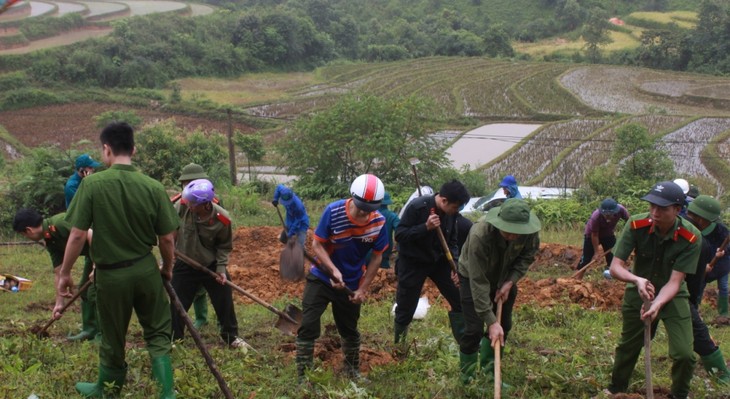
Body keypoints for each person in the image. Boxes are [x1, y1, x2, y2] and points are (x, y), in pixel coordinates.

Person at [54, 122, 179, 398]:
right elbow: (167, 239)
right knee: (158, 333)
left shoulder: (92, 185)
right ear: (133, 150)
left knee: (112, 336)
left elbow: (76, 236)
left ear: (106, 149)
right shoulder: (153, 187)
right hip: (146, 269)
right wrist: (167, 268)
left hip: (111, 276)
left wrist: (65, 273)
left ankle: (106, 389)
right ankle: (167, 393)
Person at [606, 181, 700, 399]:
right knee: (628, 347)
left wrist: (657, 303)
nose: (655, 212)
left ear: (678, 210)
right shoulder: (636, 224)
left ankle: (679, 394)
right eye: (652, 206)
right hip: (639, 292)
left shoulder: (691, 237)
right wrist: (637, 280)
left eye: (663, 208)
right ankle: (616, 390)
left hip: (672, 296)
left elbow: (675, 281)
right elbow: (615, 267)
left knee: (685, 354)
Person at [295, 174, 389, 382]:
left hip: (352, 282)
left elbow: (377, 257)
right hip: (321, 276)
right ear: (353, 197)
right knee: (308, 324)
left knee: (349, 329)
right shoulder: (333, 211)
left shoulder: (379, 222)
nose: (364, 211)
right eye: (361, 205)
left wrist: (362, 289)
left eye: (370, 208)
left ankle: (351, 369)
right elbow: (317, 245)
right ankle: (304, 376)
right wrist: (333, 270)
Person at [457, 198, 541, 386]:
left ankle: (489, 373)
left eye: (517, 233)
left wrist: (510, 281)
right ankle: (467, 379)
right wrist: (490, 320)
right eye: (508, 231)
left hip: (504, 277)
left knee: (504, 325)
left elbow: (526, 257)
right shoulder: (480, 234)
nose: (512, 236)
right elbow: (478, 280)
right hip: (472, 276)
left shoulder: (530, 233)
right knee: (474, 329)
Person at [170, 178, 251, 350]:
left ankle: (231, 336)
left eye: (192, 203)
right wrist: (169, 255)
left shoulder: (222, 219)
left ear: (204, 204)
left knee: (224, 300)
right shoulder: (182, 207)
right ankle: (175, 340)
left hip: (211, 264)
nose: (188, 204)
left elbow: (224, 246)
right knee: (176, 302)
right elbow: (172, 231)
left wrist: (221, 269)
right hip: (185, 262)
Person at [393, 180, 470, 349]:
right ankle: (399, 346)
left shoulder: (451, 215)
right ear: (444, 200)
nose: (456, 211)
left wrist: (454, 266)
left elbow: (453, 241)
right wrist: (424, 227)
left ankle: (466, 344)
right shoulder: (417, 207)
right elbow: (399, 235)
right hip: (413, 262)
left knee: (459, 298)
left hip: (438, 261)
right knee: (406, 307)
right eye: (455, 207)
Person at [12, 208, 99, 342]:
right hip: (91, 255)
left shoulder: (60, 222)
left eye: (24, 235)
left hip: (104, 249)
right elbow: (59, 272)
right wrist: (59, 303)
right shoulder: (50, 240)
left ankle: (105, 336)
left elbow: (90, 234)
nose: (27, 238)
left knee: (95, 293)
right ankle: (90, 330)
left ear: (28, 230)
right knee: (85, 291)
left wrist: (97, 264)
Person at [683, 196, 730, 384]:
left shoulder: (717, 233)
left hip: (686, 285)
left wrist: (707, 270)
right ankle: (721, 376)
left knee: (694, 322)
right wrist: (702, 269)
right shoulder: (691, 234)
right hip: (676, 288)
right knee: (697, 328)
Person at [171, 163, 220, 330]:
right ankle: (179, 328)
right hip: (186, 253)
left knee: (218, 291)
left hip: (208, 255)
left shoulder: (213, 202)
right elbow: (173, 230)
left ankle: (215, 322)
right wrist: (172, 252)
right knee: (183, 291)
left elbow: (221, 231)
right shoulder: (179, 204)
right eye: (187, 183)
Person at [686, 195, 730, 316]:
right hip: (702, 264)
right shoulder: (689, 227)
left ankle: (724, 313)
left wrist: (723, 252)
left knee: (724, 286)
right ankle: (695, 308)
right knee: (698, 285)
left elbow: (727, 245)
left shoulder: (721, 230)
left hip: (721, 264)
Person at [575, 198, 630, 279]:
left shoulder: (621, 210)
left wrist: (627, 234)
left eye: (610, 215)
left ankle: (611, 277)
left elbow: (629, 222)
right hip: (591, 235)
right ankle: (577, 279)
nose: (608, 218)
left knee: (613, 256)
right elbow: (595, 235)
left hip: (608, 234)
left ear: (615, 212)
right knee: (586, 258)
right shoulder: (596, 216)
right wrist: (596, 253)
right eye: (606, 215)